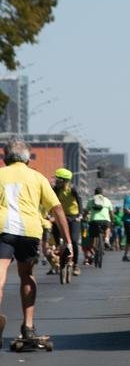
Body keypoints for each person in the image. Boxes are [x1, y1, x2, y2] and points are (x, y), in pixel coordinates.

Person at [0, 140, 73, 348]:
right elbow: (57, 209)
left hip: (3, 229)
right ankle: (28, 325)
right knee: (26, 275)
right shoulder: (37, 177)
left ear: (5, 158)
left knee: (1, 273)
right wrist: (68, 242)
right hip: (29, 231)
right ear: (27, 159)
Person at [53, 168, 82, 275]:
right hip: (62, 216)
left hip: (74, 217)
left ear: (65, 180)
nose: (56, 181)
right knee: (54, 225)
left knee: (74, 241)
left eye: (58, 179)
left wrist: (80, 215)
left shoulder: (73, 189)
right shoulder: (56, 189)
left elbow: (80, 201)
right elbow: (50, 201)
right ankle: (57, 245)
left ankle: (75, 265)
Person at [84, 187, 113, 268]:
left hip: (94, 221)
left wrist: (83, 218)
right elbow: (111, 213)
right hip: (105, 221)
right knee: (107, 227)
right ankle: (106, 239)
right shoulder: (107, 200)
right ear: (102, 193)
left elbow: (86, 212)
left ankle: (93, 249)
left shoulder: (91, 200)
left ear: (95, 193)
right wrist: (112, 220)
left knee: (92, 237)